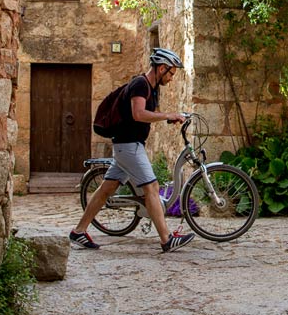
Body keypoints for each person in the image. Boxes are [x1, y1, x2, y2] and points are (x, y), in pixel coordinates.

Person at [69, 48, 194, 253]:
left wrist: (168, 117)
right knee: (152, 188)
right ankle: (166, 239)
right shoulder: (140, 84)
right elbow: (138, 114)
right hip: (129, 146)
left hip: (128, 146)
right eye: (171, 73)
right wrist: (166, 115)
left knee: (106, 190)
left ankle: (78, 231)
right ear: (162, 68)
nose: (171, 78)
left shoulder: (150, 88)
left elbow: (143, 114)